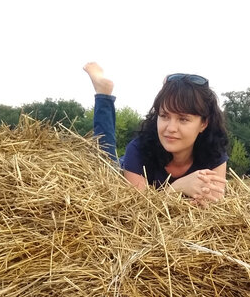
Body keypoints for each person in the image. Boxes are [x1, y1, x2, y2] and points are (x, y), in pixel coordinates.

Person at [84, 62, 229, 208]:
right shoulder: (138, 149)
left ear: (203, 123)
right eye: (164, 116)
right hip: (123, 168)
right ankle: (103, 93)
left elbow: (213, 205)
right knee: (104, 164)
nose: (171, 128)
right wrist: (177, 187)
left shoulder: (214, 152)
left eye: (183, 119)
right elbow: (139, 210)